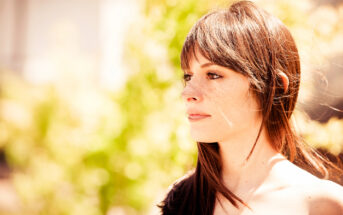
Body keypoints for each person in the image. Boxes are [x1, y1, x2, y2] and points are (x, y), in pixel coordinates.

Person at [158, 1, 343, 214]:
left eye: (213, 75)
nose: (188, 93)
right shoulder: (181, 199)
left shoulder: (324, 205)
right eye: (188, 76)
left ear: (273, 88)